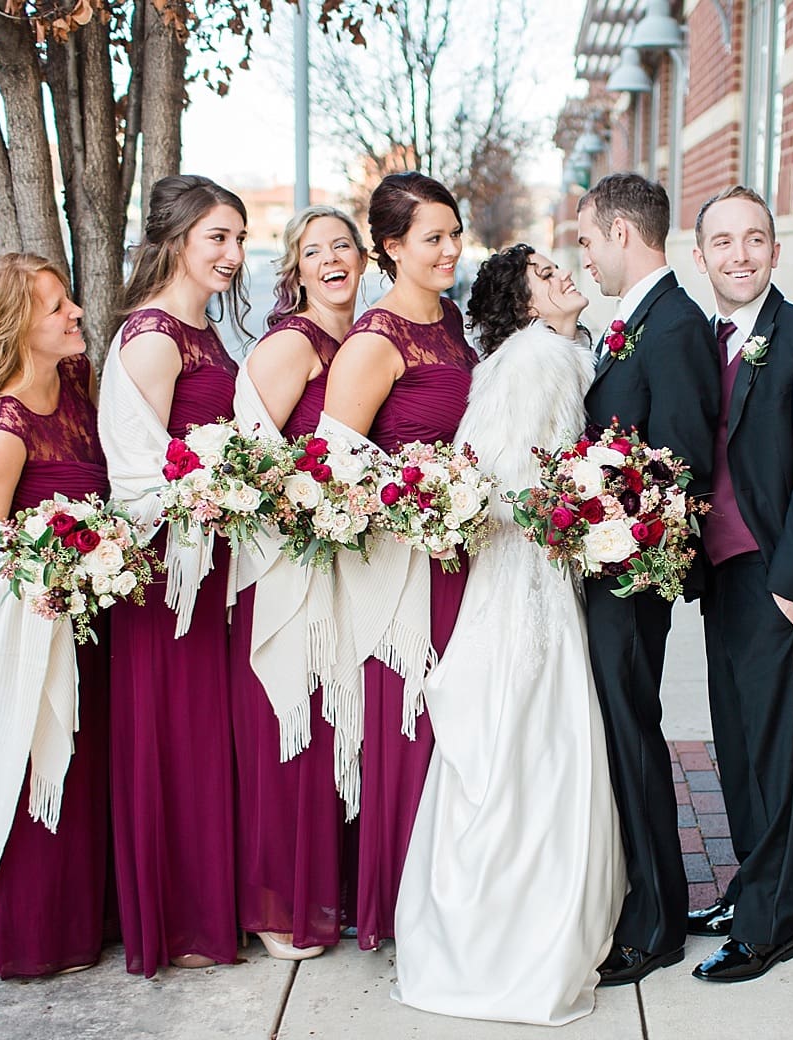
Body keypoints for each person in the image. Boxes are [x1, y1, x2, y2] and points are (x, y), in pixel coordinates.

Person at [392, 244, 625, 1025]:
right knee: (533, 732)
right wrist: (582, 506)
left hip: (521, 570)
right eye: (547, 276)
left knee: (513, 735)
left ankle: (485, 928)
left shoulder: (537, 352)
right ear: (526, 304)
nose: (565, 277)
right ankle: (523, 936)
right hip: (532, 571)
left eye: (564, 266)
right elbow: (513, 479)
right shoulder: (541, 359)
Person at [682, 187, 793, 983]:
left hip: (775, 572)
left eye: (754, 239)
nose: (739, 255)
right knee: (735, 745)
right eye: (722, 242)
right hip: (717, 573)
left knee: (774, 750)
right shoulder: (700, 341)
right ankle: (752, 882)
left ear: (776, 250)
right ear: (700, 257)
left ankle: (769, 925)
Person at [97, 174, 249, 976]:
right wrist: (211, 491)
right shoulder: (154, 336)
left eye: (237, 238)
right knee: (176, 735)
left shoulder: (205, 330)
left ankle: (205, 906)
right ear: (176, 240)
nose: (230, 253)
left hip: (210, 554)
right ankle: (178, 922)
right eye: (216, 237)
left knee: (206, 738)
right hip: (165, 573)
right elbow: (133, 471)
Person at [322, 171, 476, 950]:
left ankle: (452, 893)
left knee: (460, 728)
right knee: (411, 725)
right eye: (432, 238)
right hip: (403, 567)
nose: (450, 248)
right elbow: (330, 468)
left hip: (463, 558)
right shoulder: (373, 341)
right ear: (391, 247)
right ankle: (400, 904)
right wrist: (417, 502)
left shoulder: (451, 321)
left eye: (454, 233)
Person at [575, 172, 721, 986]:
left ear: (622, 235)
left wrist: (605, 523)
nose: (585, 258)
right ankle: (647, 897)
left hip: (632, 578)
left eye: (589, 241)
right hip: (607, 570)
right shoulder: (631, 321)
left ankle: (656, 922)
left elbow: (683, 467)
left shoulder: (674, 326)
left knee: (632, 737)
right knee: (619, 735)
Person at [0, 253, 110, 983]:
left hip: (99, 620)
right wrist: (53, 571)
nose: (74, 312)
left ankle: (98, 917)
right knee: (47, 770)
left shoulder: (76, 383)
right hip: (43, 629)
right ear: (18, 327)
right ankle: (38, 936)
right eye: (55, 307)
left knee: (92, 775)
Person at [230, 205, 369, 960]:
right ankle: (276, 906)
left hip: (344, 562)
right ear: (296, 269)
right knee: (290, 728)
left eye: (340, 246)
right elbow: (247, 462)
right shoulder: (293, 343)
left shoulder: (366, 338)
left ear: (361, 258)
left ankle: (329, 891)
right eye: (312, 251)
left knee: (331, 731)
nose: (329, 259)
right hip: (287, 564)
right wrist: (312, 504)